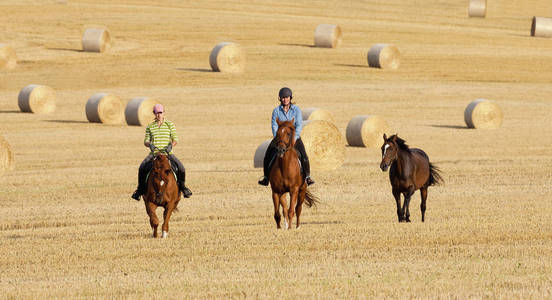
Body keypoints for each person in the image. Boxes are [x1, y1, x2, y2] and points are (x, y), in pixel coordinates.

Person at [131, 104, 192, 200]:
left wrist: (171, 146)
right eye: (156, 113)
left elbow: (175, 139)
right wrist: (149, 144)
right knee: (142, 168)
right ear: (154, 114)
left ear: (164, 113)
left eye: (160, 112)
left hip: (167, 153)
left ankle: (183, 188)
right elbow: (146, 141)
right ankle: (140, 190)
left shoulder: (170, 124)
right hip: (154, 154)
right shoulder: (150, 127)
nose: (159, 115)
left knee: (181, 168)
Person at [258, 87, 315, 186]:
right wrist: (278, 138)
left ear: (290, 98)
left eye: (287, 97)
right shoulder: (276, 111)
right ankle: (266, 178)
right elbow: (274, 126)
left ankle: (307, 177)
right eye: (283, 98)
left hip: (294, 138)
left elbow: (299, 125)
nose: (285, 99)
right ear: (280, 99)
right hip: (280, 139)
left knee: (304, 155)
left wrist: (294, 138)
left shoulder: (296, 110)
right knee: (267, 155)